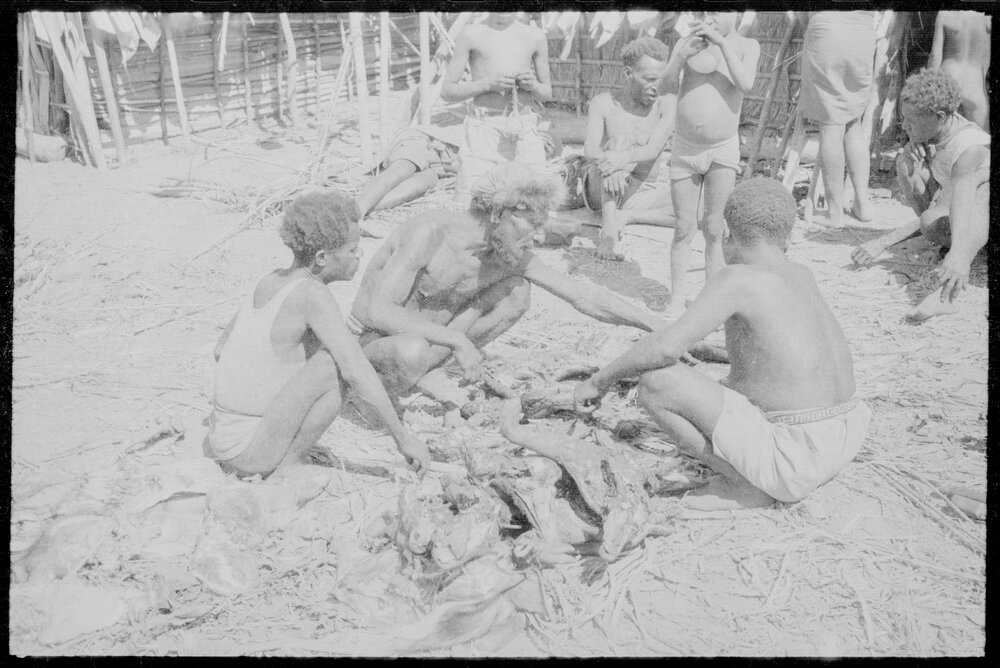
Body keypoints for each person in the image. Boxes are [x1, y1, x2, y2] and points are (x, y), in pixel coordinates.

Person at [574, 178, 871, 512]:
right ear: (787, 237)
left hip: (796, 457)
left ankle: (742, 484)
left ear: (727, 234)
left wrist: (598, 381)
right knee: (713, 383)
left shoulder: (737, 278)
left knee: (657, 383)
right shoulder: (802, 273)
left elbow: (665, 349)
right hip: (848, 432)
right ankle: (756, 472)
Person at [348, 164, 721, 409]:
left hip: (429, 344)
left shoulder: (506, 251)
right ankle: (384, 390)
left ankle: (424, 373)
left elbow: (583, 295)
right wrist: (457, 341)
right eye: (533, 224)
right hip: (377, 343)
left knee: (516, 291)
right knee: (411, 352)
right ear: (499, 214)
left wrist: (661, 328)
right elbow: (373, 311)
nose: (540, 236)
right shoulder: (429, 232)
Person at [208, 192, 431, 478]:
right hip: (250, 451)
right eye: (352, 250)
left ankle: (278, 455)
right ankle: (290, 465)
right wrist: (403, 439)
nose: (359, 256)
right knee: (335, 363)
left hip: (223, 439)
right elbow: (355, 371)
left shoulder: (271, 279)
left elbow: (220, 349)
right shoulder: (312, 294)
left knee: (327, 354)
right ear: (322, 258)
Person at [851, 69, 989, 321]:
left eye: (912, 122)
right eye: (904, 119)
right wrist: (916, 139)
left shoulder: (971, 146)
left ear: (939, 117)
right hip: (960, 214)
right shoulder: (936, 134)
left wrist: (883, 242)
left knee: (979, 194)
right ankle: (943, 245)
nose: (905, 126)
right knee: (906, 161)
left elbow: (951, 205)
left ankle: (947, 293)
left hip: (980, 216)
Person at [659, 11, 760, 317]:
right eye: (707, 11)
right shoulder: (688, 41)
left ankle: (712, 300)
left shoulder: (747, 45)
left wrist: (721, 43)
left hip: (721, 149)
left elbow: (746, 83)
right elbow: (665, 86)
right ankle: (677, 299)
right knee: (682, 226)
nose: (711, 17)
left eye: (719, 12)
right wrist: (680, 57)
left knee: (715, 228)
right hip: (686, 148)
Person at [440, 12, 553, 206]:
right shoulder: (471, 34)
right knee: (471, 202)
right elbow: (447, 91)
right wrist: (487, 85)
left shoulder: (535, 36)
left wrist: (532, 85)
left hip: (524, 130)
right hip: (483, 130)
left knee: (536, 203)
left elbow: (547, 93)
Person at [580, 37, 676, 261]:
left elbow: (653, 150)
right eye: (650, 79)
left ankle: (627, 217)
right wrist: (611, 164)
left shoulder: (667, 105)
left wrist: (622, 159)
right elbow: (590, 146)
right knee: (615, 147)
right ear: (628, 74)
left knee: (697, 208)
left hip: (641, 193)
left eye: (661, 80)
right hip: (602, 185)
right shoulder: (603, 103)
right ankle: (609, 231)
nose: (657, 87)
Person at [798, 11, 877, 228]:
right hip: (862, 34)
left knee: (831, 125)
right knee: (853, 122)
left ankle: (834, 212)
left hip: (827, 31)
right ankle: (862, 202)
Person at [354, 126, 459, 220]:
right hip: (427, 142)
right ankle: (356, 210)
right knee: (403, 169)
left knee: (422, 183)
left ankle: (354, 211)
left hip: (440, 170)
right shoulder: (473, 125)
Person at [928, 11, 990, 131]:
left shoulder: (945, 13)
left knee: (939, 139)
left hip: (947, 83)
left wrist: (928, 87)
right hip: (975, 86)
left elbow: (935, 55)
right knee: (981, 139)